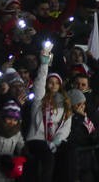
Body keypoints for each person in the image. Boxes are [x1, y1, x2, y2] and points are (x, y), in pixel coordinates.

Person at [24, 44, 72, 182]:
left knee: (69, 151)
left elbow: (66, 126)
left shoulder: (65, 104)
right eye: (50, 82)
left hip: (54, 141)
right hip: (36, 140)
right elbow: (39, 84)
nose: (53, 85)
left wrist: (57, 140)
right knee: (48, 157)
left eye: (56, 83)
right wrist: (44, 65)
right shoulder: (39, 100)